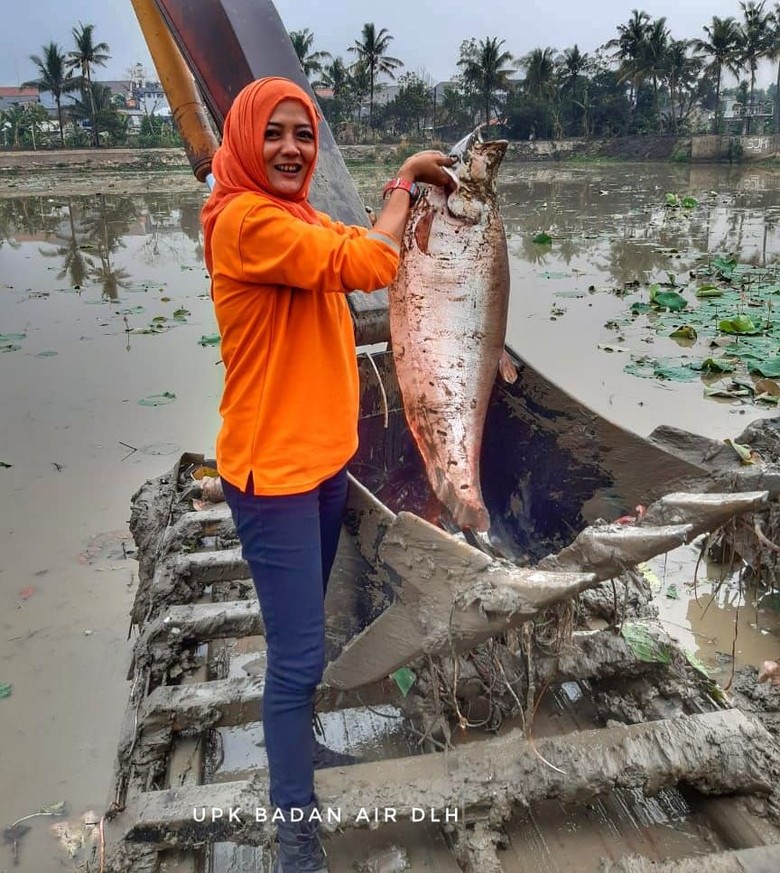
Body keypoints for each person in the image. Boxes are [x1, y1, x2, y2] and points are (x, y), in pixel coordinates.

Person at [200, 77, 454, 873]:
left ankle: (297, 760)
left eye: (303, 135)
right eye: (273, 133)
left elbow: (349, 248)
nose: (290, 148)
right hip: (271, 475)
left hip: (320, 465)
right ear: (244, 139)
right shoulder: (244, 222)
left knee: (301, 631)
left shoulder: (296, 217)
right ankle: (296, 841)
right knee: (297, 658)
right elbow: (372, 261)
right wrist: (404, 182)